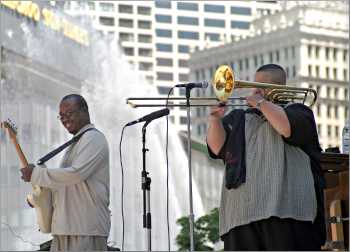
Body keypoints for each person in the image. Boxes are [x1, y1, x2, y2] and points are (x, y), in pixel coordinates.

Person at [207, 64, 326, 250]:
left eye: (259, 86)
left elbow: (286, 128)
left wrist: (261, 103)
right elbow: (216, 148)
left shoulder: (299, 111)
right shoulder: (239, 118)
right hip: (240, 217)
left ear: (276, 89)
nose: (253, 90)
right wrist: (214, 118)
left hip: (287, 214)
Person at [20, 94, 111, 251]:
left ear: (85, 111)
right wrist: (36, 199)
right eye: (61, 116)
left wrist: (36, 175)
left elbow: (76, 174)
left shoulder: (94, 138)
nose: (64, 119)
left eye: (69, 113)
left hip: (85, 231)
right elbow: (65, 185)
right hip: (65, 229)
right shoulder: (77, 142)